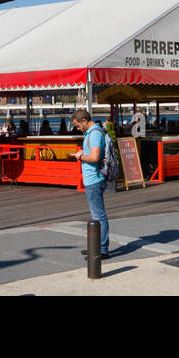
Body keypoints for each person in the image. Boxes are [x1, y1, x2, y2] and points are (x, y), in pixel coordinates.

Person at [70, 109, 111, 258]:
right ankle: (96, 246)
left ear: (85, 121)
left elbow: (94, 157)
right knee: (96, 215)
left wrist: (80, 157)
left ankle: (102, 249)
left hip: (94, 179)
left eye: (77, 125)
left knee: (98, 215)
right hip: (93, 179)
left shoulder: (94, 134)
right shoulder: (93, 132)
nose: (77, 128)